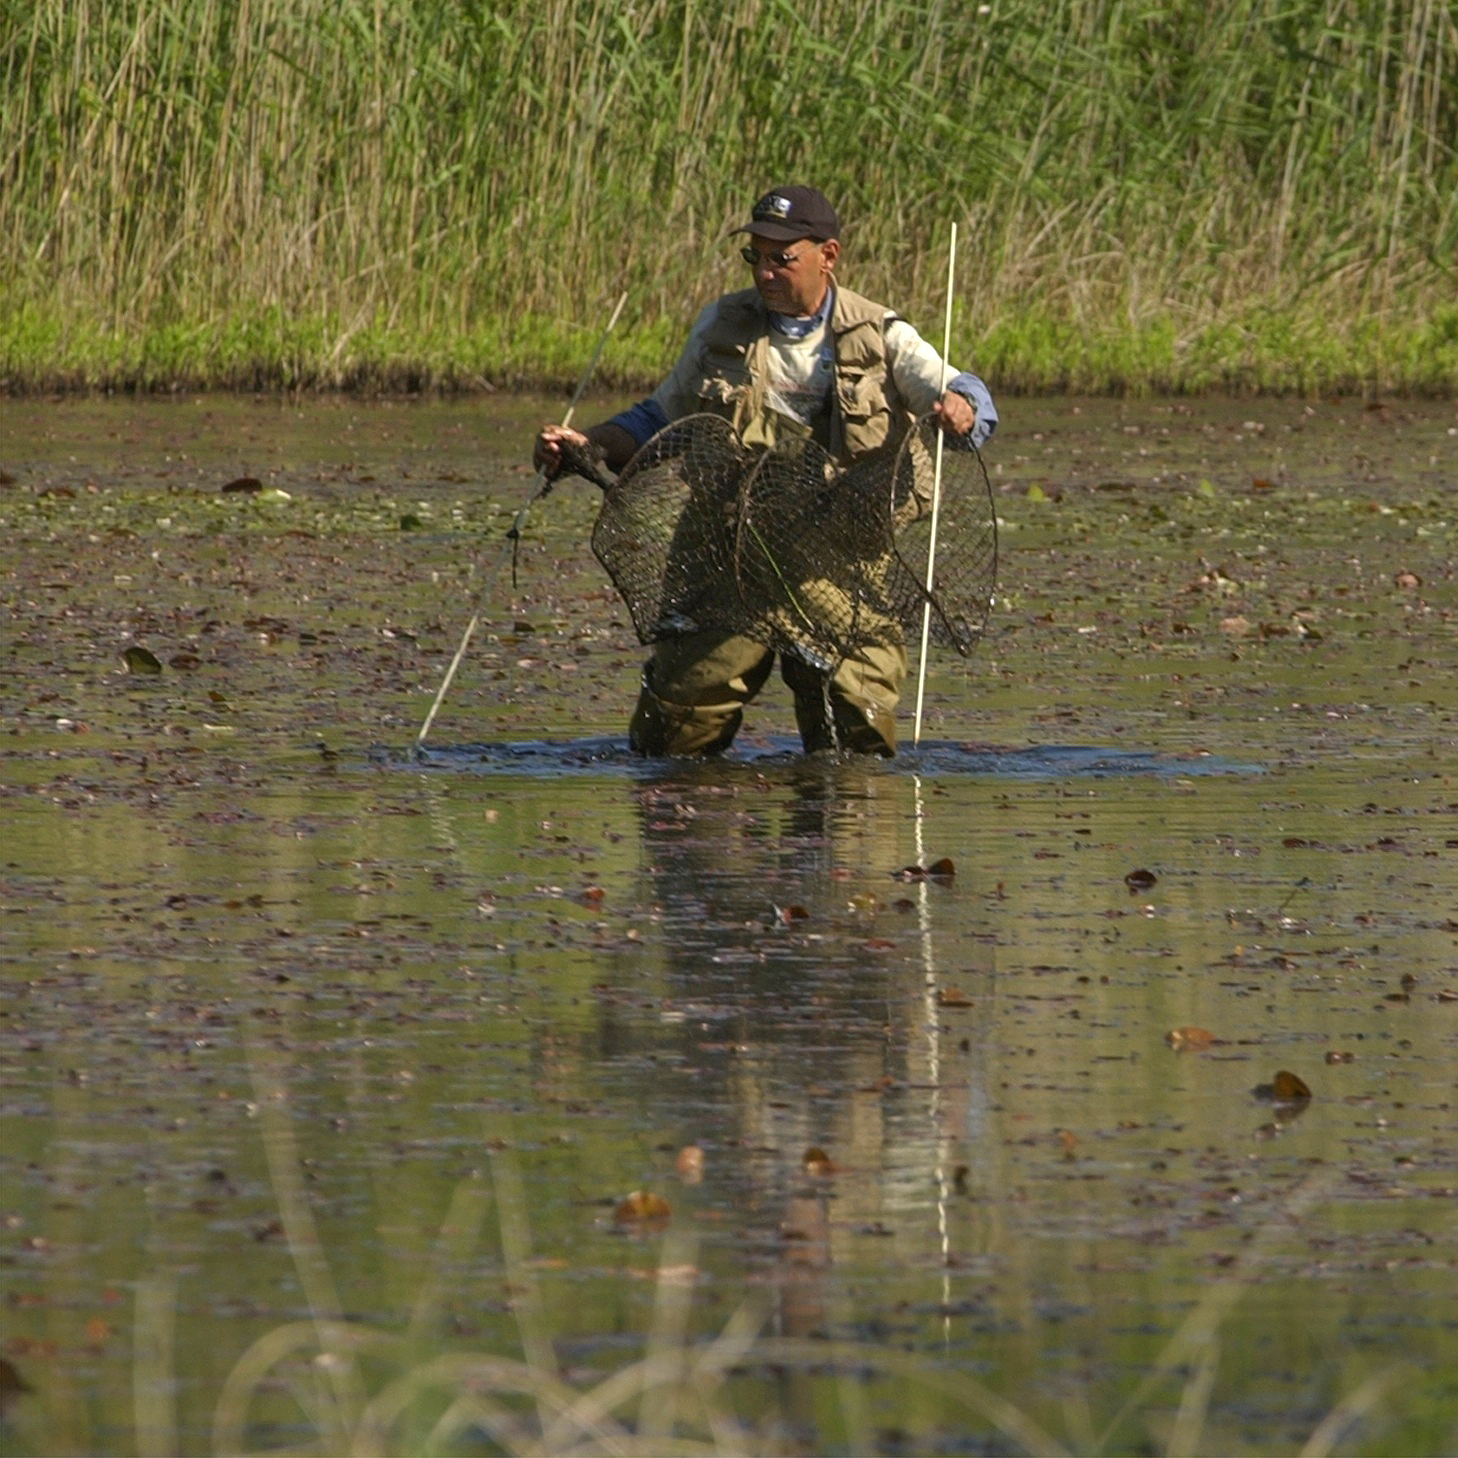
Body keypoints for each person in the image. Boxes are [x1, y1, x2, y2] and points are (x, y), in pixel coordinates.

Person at [534, 184, 997, 758]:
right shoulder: (721, 325)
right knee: (673, 737)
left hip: (839, 562)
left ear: (827, 256)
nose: (766, 272)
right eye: (756, 256)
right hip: (726, 556)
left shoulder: (881, 336)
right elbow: (658, 418)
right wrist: (587, 444)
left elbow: (967, 394)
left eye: (783, 258)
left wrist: (961, 409)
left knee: (856, 745)